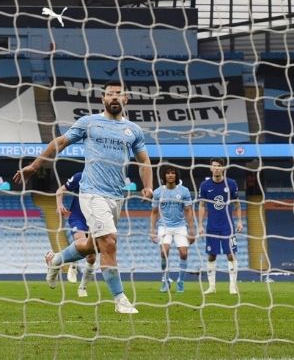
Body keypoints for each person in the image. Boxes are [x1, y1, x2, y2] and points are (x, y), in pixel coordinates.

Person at [13, 80, 153, 314]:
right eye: (110, 94)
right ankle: (120, 299)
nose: (114, 97)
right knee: (109, 242)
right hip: (91, 193)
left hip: (116, 196)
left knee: (92, 246)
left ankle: (56, 260)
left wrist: (148, 186)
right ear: (103, 99)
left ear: (126, 99)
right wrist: (35, 166)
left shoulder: (133, 130)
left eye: (119, 94)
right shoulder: (89, 122)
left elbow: (144, 161)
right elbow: (60, 142)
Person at [197, 158, 243, 295]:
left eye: (219, 166)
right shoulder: (205, 185)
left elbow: (237, 204)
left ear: (223, 168)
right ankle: (212, 287)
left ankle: (233, 287)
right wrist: (200, 225)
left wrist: (239, 221)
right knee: (211, 256)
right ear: (210, 168)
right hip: (212, 226)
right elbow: (201, 205)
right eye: (214, 166)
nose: (216, 168)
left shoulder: (231, 184)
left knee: (231, 255)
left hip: (228, 226)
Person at [150, 165, 196, 294]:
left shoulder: (184, 191)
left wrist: (191, 230)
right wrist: (152, 230)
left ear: (176, 176)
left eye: (173, 173)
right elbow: (154, 212)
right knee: (164, 251)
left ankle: (181, 281)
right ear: (164, 176)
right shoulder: (158, 192)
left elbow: (188, 210)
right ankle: (165, 280)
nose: (170, 175)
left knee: (184, 253)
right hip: (164, 226)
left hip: (180, 226)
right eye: (168, 173)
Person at [54, 171, 97, 298]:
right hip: (78, 217)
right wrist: (60, 204)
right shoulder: (80, 176)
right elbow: (60, 190)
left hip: (95, 220)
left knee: (91, 257)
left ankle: (82, 287)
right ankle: (73, 264)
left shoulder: (104, 179)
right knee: (79, 239)